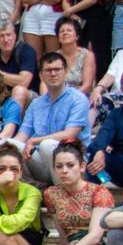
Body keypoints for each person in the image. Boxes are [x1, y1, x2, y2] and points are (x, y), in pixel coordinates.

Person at [11, 51, 89, 184]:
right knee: (8, 145)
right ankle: (31, 189)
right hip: (41, 162)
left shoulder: (78, 99)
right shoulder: (36, 104)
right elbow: (22, 136)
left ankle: (62, 194)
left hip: (70, 161)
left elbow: (70, 134)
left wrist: (34, 141)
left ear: (65, 72)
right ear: (41, 75)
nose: (53, 74)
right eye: (48, 70)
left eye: (57, 69)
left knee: (47, 145)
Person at [0, 21, 39, 112]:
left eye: (9, 35)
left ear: (15, 36)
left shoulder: (26, 51)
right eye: (1, 36)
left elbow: (24, 81)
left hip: (28, 96)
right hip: (0, 95)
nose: (6, 40)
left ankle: (12, 124)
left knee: (19, 90)